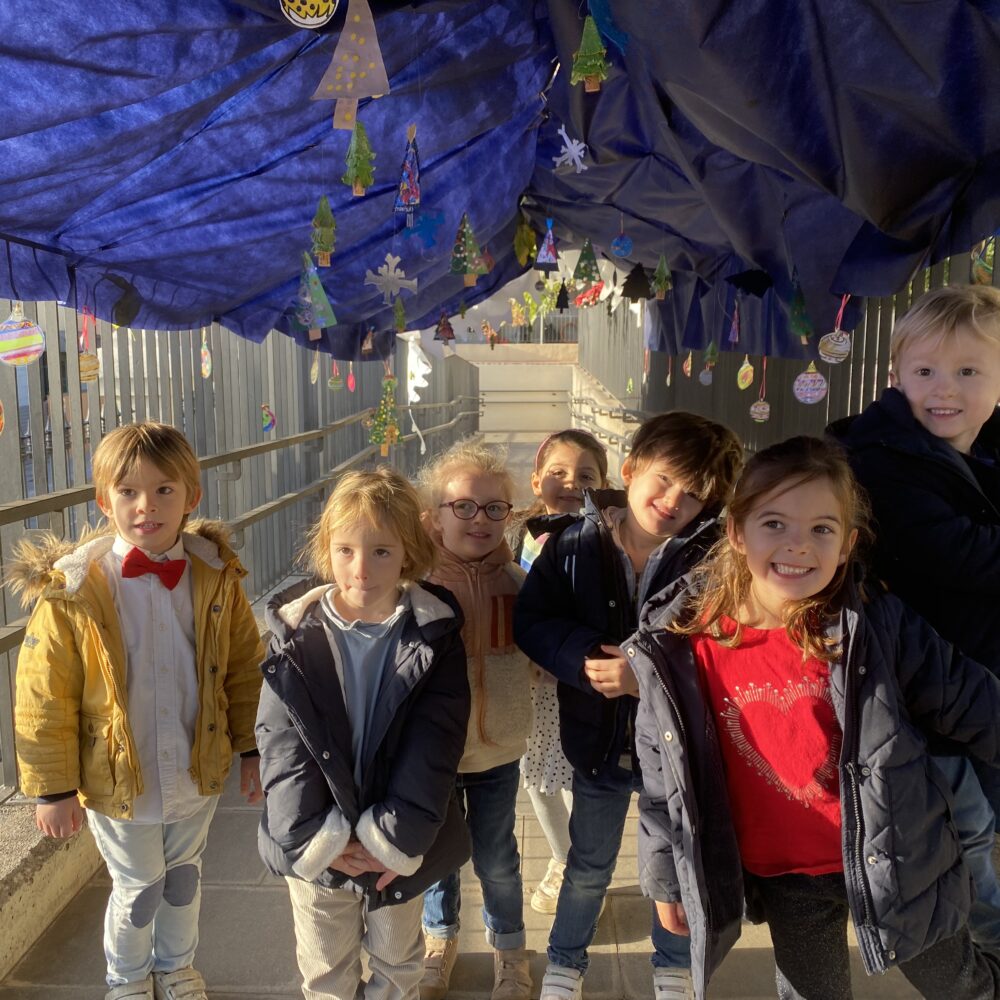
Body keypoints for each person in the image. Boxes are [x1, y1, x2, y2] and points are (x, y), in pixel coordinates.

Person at [631, 435, 1000, 1000]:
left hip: (899, 858)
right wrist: (665, 876)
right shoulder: (684, 640)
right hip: (786, 877)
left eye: (822, 529)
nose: (798, 545)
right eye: (774, 523)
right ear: (737, 531)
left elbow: (973, 701)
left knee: (957, 984)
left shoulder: (875, 626)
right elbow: (662, 772)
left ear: (847, 545)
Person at [11, 421, 264, 1000]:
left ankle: (176, 968)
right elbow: (44, 696)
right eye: (128, 492)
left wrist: (251, 748)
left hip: (194, 766)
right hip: (120, 773)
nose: (146, 506)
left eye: (163, 490)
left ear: (191, 497)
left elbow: (244, 667)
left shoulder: (216, 577)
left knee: (183, 878)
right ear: (105, 501)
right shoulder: (75, 591)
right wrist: (53, 788)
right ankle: (126, 979)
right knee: (140, 885)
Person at [513, 411, 743, 1000]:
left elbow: (728, 646)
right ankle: (565, 963)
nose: (673, 500)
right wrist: (581, 657)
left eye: (694, 494)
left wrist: (648, 675)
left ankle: (673, 967)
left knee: (676, 866)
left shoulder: (716, 561)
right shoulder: (572, 543)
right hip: (597, 743)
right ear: (632, 468)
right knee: (588, 865)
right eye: (664, 479)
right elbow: (534, 619)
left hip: (678, 751)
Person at [256, 467, 471, 1000]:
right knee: (326, 971)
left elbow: (435, 745)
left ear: (408, 553)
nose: (361, 569)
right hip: (319, 846)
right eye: (346, 550)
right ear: (326, 549)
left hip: (395, 842)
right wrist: (314, 839)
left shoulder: (434, 634)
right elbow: (281, 745)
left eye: (381, 551)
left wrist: (391, 841)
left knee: (398, 965)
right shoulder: (295, 634)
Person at [830, 283, 1000, 949]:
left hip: (975, 678)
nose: (944, 389)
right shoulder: (882, 461)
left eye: (968, 371)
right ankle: (981, 952)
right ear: (896, 375)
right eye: (925, 371)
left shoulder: (978, 449)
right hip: (931, 694)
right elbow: (963, 556)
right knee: (968, 835)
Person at [416, 440, 534, 1000]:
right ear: (433, 517)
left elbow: (541, 650)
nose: (479, 519)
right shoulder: (416, 588)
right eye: (462, 506)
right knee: (438, 857)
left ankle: (509, 948)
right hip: (432, 754)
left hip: (498, 750)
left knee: (497, 857)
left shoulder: (520, 585)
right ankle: (439, 939)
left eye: (494, 508)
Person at [507, 429, 610, 916]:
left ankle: (583, 868)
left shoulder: (602, 539)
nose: (571, 483)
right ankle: (563, 856)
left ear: (603, 485)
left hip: (572, 680)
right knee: (534, 775)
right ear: (536, 482)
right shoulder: (521, 535)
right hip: (527, 682)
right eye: (558, 473)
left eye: (586, 475)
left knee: (572, 776)